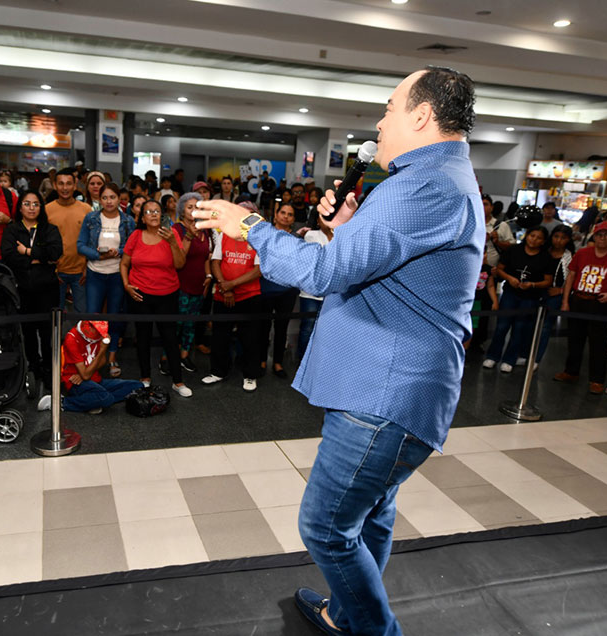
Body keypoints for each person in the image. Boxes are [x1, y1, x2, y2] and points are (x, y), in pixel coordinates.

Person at [194, 66, 482, 636]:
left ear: (422, 116)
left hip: (384, 391)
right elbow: (373, 263)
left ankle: (373, 630)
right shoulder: (427, 179)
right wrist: (349, 225)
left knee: (326, 527)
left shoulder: (425, 184)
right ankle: (344, 612)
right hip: (385, 382)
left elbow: (324, 272)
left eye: (390, 107)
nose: (379, 121)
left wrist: (247, 223)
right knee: (371, 513)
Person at [120, 199, 192, 397]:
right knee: (143, 337)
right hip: (140, 294)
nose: (153, 214)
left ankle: (178, 381)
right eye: (148, 211)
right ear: (142, 217)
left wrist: (171, 243)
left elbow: (179, 264)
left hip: (167, 294)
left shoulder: (172, 234)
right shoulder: (136, 235)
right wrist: (126, 285)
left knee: (170, 338)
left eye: (157, 211)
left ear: (162, 215)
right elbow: (124, 263)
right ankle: (145, 378)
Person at [554, 221, 607, 394]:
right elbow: (571, 276)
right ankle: (571, 372)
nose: (603, 238)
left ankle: (597, 380)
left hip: (600, 303)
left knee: (598, 343)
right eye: (600, 234)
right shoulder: (582, 253)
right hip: (579, 299)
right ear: (594, 236)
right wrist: (565, 301)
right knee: (574, 339)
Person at [1, 190, 62, 388]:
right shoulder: (12, 230)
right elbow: (8, 256)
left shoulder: (49, 229)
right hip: (23, 288)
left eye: (35, 204)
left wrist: (27, 251)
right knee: (27, 331)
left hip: (47, 289)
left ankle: (47, 367)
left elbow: (55, 253)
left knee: (46, 331)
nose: (31, 208)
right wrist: (37, 260)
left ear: (41, 207)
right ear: (20, 208)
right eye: (27, 204)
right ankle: (33, 365)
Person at [201, 201, 263, 392]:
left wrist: (231, 285)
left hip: (249, 295)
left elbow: (258, 270)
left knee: (250, 337)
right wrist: (224, 287)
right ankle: (218, 371)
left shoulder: (259, 239)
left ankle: (250, 375)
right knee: (220, 335)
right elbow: (216, 262)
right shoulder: (224, 235)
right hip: (223, 294)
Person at [77, 183, 135, 377]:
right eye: (104, 198)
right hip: (95, 273)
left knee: (113, 317)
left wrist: (117, 252)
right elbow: (80, 245)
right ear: (99, 200)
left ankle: (111, 357)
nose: (109, 201)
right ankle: (91, 356)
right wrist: (97, 255)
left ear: (119, 199)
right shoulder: (91, 218)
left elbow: (132, 248)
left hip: (118, 274)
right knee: (93, 316)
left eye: (112, 197)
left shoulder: (128, 221)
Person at [482, 226, 554, 373]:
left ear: (543, 241)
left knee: (519, 329)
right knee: (502, 326)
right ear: (527, 235)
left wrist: (533, 284)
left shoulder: (546, 258)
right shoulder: (514, 250)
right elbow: (500, 269)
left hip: (530, 297)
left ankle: (509, 359)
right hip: (510, 293)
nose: (534, 239)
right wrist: (509, 278)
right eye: (532, 235)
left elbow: (548, 281)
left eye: (539, 237)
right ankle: (493, 356)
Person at [57, 320, 143, 414]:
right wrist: (102, 350)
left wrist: (83, 374)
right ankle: (62, 403)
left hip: (93, 378)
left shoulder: (99, 335)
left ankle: (93, 402)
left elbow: (102, 362)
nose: (99, 337)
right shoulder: (72, 339)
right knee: (107, 398)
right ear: (88, 328)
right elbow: (86, 376)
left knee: (137, 386)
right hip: (75, 383)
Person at [172, 193, 213, 372]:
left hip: (199, 284)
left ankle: (184, 356)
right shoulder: (176, 229)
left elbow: (206, 256)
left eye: (198, 207)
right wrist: (189, 235)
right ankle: (168, 356)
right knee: (177, 323)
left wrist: (209, 276)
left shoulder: (205, 230)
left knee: (191, 324)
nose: (194, 210)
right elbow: (179, 257)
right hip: (181, 284)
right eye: (190, 207)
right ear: (182, 210)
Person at [258, 204, 299, 378]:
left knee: (282, 328)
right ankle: (261, 360)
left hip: (287, 290)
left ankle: (277, 363)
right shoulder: (266, 234)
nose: (286, 217)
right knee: (263, 326)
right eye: (283, 213)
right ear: (276, 215)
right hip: (266, 286)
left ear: (293, 219)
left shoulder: (297, 238)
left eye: (290, 214)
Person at [45, 168, 90, 313]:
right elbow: (42, 241)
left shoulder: (86, 210)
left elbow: (93, 241)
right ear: (54, 185)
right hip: (56, 272)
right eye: (61, 184)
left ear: (75, 185)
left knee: (82, 316)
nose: (65, 188)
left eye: (69, 183)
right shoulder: (47, 210)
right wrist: (51, 269)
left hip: (81, 272)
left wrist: (87, 268)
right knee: (54, 316)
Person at [534, 225, 574, 367]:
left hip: (555, 294)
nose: (558, 241)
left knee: (545, 327)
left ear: (568, 240)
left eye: (563, 238)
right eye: (556, 236)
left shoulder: (569, 257)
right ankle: (525, 353)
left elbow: (572, 279)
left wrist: (561, 291)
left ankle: (536, 359)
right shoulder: (544, 252)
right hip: (538, 291)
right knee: (530, 323)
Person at [296, 221, 333, 363]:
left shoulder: (340, 236)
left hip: (331, 292)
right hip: (311, 292)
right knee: (308, 327)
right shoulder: (311, 235)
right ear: (318, 221)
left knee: (327, 329)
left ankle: (320, 361)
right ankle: (303, 359)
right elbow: (316, 260)